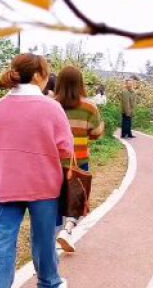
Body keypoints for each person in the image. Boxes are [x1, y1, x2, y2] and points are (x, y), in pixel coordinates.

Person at [0, 53, 73, 288]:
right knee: (44, 239)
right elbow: (65, 149)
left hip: (6, 184)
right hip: (43, 185)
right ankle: (49, 282)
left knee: (3, 241)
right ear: (36, 76)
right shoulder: (52, 108)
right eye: (46, 72)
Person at [54, 66, 105, 252]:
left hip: (54, 162)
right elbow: (97, 133)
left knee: (55, 199)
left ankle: (54, 234)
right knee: (77, 199)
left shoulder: (50, 104)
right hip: (79, 160)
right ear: (80, 83)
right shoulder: (89, 106)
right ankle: (67, 231)